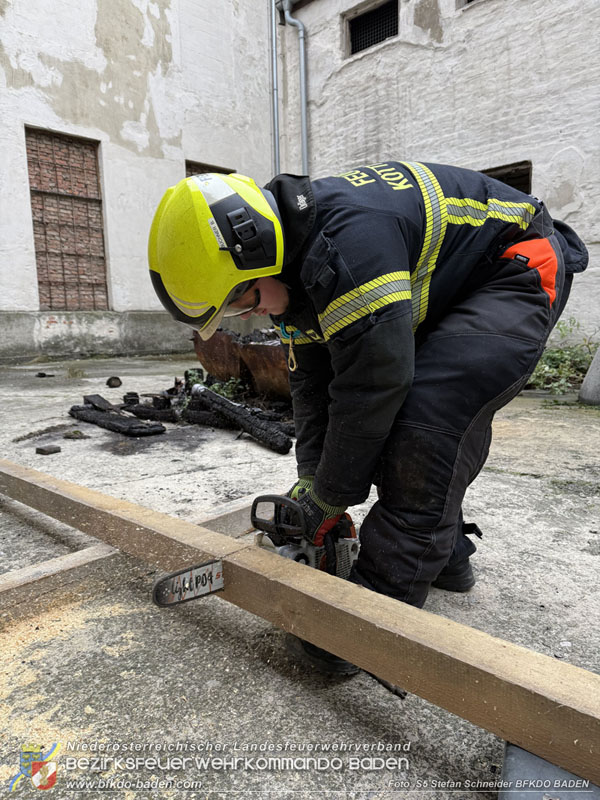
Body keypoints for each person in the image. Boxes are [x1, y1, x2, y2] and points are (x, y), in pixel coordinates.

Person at [148, 163, 588, 673]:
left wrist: (330, 498)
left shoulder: (348, 247)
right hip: (451, 284)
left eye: (242, 301)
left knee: (426, 423)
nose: (247, 317)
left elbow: (372, 387)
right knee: (393, 434)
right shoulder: (294, 267)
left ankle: (375, 613)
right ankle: (444, 556)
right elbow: (312, 388)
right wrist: (313, 483)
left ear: (257, 253)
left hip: (513, 266)